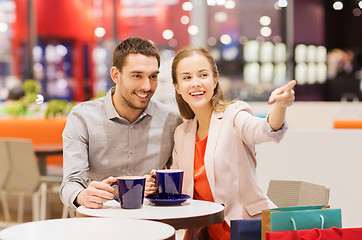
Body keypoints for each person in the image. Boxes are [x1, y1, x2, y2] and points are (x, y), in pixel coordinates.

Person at [148, 46, 296, 239]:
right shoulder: (182, 133)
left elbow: (266, 130)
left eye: (203, 75)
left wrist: (281, 106)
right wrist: (158, 182)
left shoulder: (234, 115)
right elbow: (180, 188)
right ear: (177, 86)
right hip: (203, 231)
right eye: (186, 77)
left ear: (214, 80)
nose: (196, 83)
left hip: (246, 229)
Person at [60, 37, 183, 209]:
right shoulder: (82, 118)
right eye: (137, 76)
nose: (147, 86)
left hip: (151, 224)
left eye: (153, 76)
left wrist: (159, 185)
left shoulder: (171, 120)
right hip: (99, 223)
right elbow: (71, 184)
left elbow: (177, 181)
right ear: (115, 75)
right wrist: (82, 196)